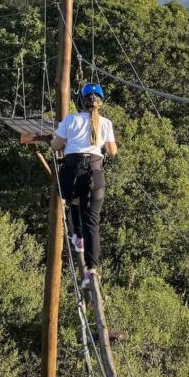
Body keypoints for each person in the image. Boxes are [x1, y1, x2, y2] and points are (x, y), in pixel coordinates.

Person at [50, 82, 117, 287]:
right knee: (92, 222)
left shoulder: (70, 120)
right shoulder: (106, 123)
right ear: (100, 102)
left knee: (73, 199)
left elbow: (56, 145)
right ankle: (91, 270)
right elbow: (112, 151)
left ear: (80, 101)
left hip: (72, 172)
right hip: (95, 174)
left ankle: (77, 236)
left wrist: (57, 141)